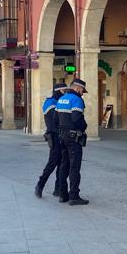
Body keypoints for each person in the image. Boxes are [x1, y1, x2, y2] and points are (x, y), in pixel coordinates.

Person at [56, 78, 89, 206]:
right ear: (77, 88)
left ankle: (63, 194)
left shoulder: (61, 99)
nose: (82, 93)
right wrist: (84, 126)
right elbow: (76, 118)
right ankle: (74, 195)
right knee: (74, 166)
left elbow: (55, 119)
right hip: (73, 137)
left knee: (64, 165)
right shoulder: (77, 100)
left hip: (62, 136)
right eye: (82, 91)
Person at [35, 83, 68, 199]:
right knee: (53, 162)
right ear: (58, 91)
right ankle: (40, 185)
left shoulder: (59, 103)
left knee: (62, 163)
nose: (65, 94)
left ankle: (58, 188)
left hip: (62, 136)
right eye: (64, 91)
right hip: (54, 137)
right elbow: (55, 121)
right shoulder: (50, 103)